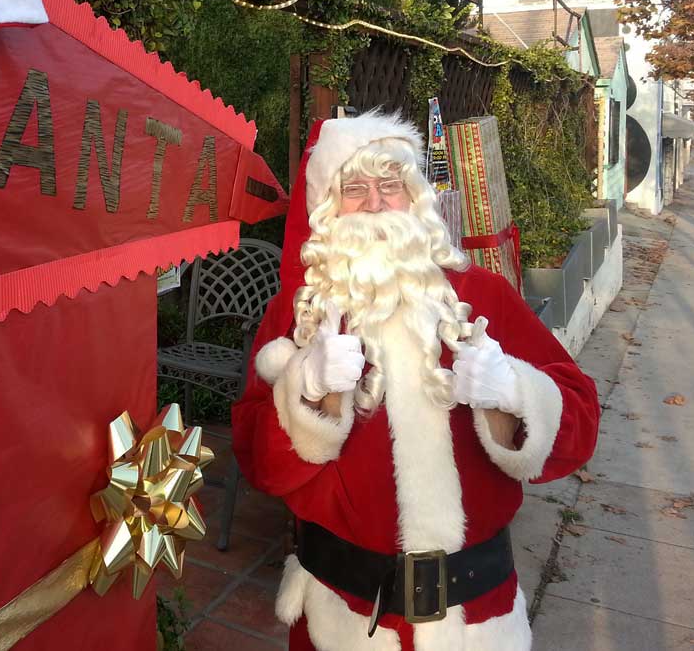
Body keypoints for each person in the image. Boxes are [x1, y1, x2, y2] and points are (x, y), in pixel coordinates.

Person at [231, 112, 600, 651]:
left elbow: (581, 427)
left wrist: (515, 393)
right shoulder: (297, 314)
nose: (376, 203)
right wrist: (303, 393)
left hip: (475, 621)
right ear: (327, 210)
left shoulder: (485, 295)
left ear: (417, 198)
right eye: (354, 188)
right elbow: (257, 462)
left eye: (392, 185)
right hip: (343, 618)